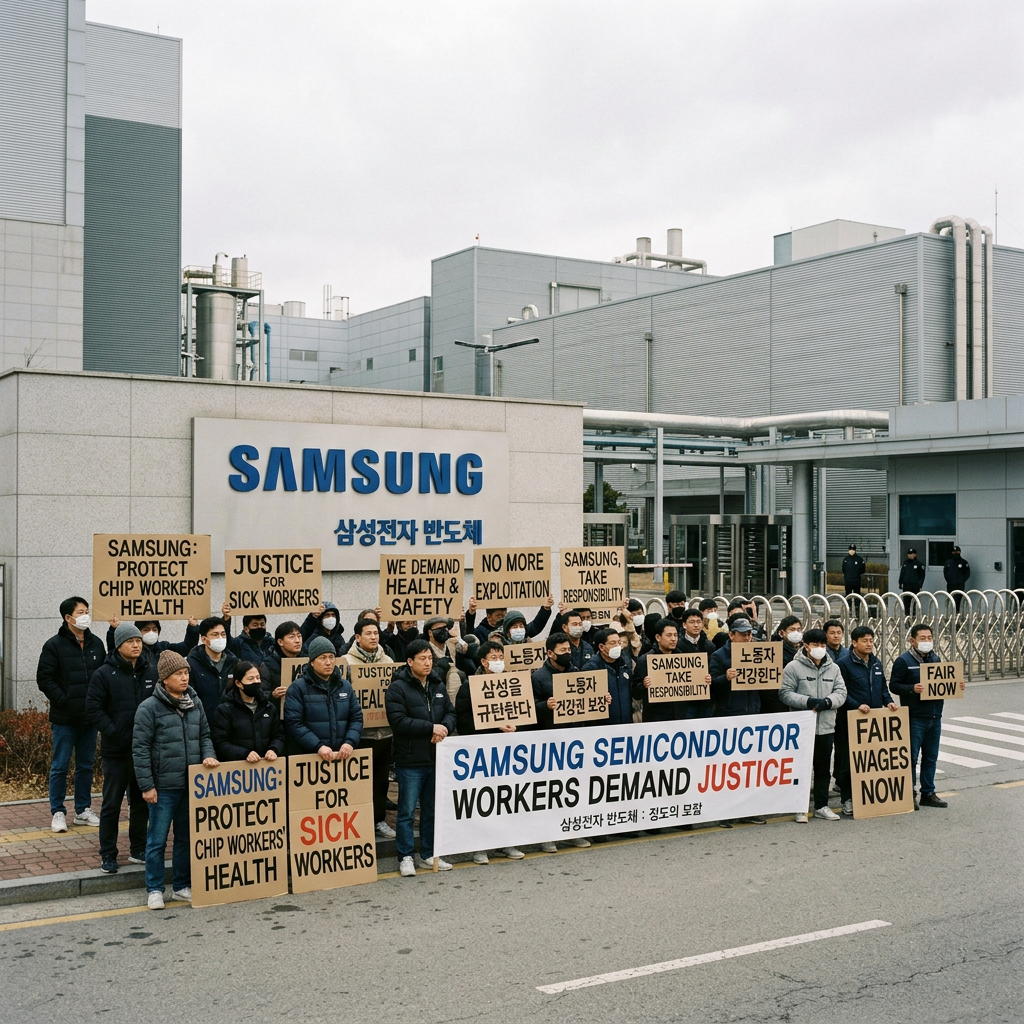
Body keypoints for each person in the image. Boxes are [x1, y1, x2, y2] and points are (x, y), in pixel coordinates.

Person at [133, 650, 218, 910]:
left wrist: (208, 756)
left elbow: (204, 735)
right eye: (178, 674)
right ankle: (155, 889)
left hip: (191, 783)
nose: (184, 678)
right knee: (157, 840)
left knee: (185, 838)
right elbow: (140, 749)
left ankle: (181, 886)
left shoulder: (195, 702)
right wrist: (147, 786)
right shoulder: (149, 708)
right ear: (164, 678)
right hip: (163, 786)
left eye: (186, 673)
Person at [85, 622, 158, 872]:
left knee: (141, 802)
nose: (136, 644)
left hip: (144, 751)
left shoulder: (151, 671)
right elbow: (93, 708)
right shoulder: (104, 673)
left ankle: (138, 849)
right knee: (111, 804)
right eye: (130, 641)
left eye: (138, 640)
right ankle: (108, 853)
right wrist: (115, 731)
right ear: (119, 645)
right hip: (117, 751)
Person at [386, 639, 457, 875]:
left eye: (430, 658)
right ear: (410, 662)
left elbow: (450, 712)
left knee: (431, 809)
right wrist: (431, 728)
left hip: (436, 757)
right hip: (410, 760)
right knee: (406, 812)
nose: (428, 663)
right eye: (422, 659)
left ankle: (428, 853)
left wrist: (443, 727)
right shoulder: (398, 688)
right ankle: (405, 856)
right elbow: (398, 721)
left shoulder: (436, 683)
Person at [36, 596, 106, 833]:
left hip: (90, 718)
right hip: (65, 718)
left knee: (85, 765)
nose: (85, 615)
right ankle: (57, 811)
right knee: (60, 766)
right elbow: (44, 678)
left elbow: (103, 676)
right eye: (80, 612)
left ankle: (83, 809)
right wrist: (64, 700)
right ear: (68, 617)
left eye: (87, 610)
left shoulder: (96, 643)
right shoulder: (54, 645)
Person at [456, 642, 526, 864]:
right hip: (482, 752)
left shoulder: (513, 683)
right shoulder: (469, 686)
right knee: (482, 800)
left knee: (506, 798)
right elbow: (464, 721)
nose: (498, 661)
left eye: (500, 656)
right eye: (493, 657)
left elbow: (524, 712)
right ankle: (479, 846)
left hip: (507, 751)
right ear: (483, 662)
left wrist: (517, 726)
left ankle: (507, 842)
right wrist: (493, 725)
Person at [528, 633, 592, 853]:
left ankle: (572, 831)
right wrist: (545, 705)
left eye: (569, 650)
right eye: (563, 651)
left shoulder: (576, 673)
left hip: (574, 740)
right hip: (550, 741)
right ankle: (547, 835)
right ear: (549, 653)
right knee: (551, 791)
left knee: (573, 789)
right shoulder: (538, 677)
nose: (568, 653)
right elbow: (529, 710)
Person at [889, 624, 962, 809]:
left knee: (931, 757)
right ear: (912, 640)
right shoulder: (903, 661)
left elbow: (941, 684)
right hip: (915, 717)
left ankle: (928, 792)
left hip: (935, 716)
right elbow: (894, 685)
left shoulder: (935, 659)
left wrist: (955, 685)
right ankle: (909, 793)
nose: (927, 641)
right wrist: (912, 689)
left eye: (929, 637)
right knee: (911, 758)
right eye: (923, 638)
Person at [779, 628, 847, 822]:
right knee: (801, 769)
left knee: (823, 768)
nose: (820, 648)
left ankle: (821, 805)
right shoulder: (793, 667)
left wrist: (828, 702)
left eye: (823, 645)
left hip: (825, 726)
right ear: (806, 646)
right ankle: (800, 808)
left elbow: (841, 692)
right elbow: (785, 693)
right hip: (802, 727)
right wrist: (808, 701)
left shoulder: (833, 668)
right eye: (816, 645)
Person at [835, 625, 898, 816]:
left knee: (871, 761)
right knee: (849, 762)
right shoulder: (843, 664)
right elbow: (841, 692)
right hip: (851, 720)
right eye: (864, 640)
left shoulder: (876, 663)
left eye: (871, 640)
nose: (869, 644)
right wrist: (856, 706)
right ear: (854, 643)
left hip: (874, 722)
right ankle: (847, 799)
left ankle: (868, 798)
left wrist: (889, 703)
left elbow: (882, 689)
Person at [708, 617, 764, 825]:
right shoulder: (719, 656)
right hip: (729, 716)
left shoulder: (758, 651)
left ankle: (748, 810)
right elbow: (711, 685)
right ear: (731, 635)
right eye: (743, 634)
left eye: (749, 633)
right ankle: (725, 812)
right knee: (728, 768)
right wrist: (726, 678)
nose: (747, 637)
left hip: (752, 714)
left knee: (750, 767)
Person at [344, 618, 396, 840]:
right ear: (357, 637)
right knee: (357, 782)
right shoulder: (346, 663)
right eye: (369, 633)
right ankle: (357, 821)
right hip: (359, 734)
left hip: (384, 733)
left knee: (381, 781)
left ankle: (379, 820)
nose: (374, 637)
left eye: (376, 633)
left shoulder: (388, 661)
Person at [283, 636, 363, 758]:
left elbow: (356, 717)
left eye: (331, 657)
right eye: (323, 658)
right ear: (312, 662)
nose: (328, 662)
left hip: (341, 756)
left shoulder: (345, 686)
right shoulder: (298, 688)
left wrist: (350, 742)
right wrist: (318, 746)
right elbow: (294, 723)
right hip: (309, 757)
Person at [632, 617, 713, 721]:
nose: (673, 639)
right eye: (669, 635)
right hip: (656, 718)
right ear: (658, 637)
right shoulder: (646, 660)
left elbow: (692, 688)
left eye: (675, 635)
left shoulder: (684, 659)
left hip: (681, 717)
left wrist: (703, 680)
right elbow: (635, 694)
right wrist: (643, 685)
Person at [210, 660, 285, 763]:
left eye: (258, 678)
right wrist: (244, 753)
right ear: (238, 683)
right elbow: (220, 742)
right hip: (238, 769)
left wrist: (274, 749)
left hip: (267, 767)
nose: (256, 682)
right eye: (250, 679)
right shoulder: (225, 710)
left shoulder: (268, 707)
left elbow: (279, 735)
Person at [187, 616, 237, 718]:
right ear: (204, 639)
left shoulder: (234, 663)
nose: (220, 638)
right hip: (204, 722)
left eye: (223, 634)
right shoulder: (192, 665)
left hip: (230, 723)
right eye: (215, 634)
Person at [584, 628, 632, 726]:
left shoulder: (624, 664)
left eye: (619, 642)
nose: (617, 646)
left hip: (626, 723)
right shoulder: (592, 667)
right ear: (602, 647)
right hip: (603, 726)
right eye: (613, 643)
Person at [105, 617, 200, 659]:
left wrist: (193, 628)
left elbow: (187, 648)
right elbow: (114, 650)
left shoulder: (164, 648)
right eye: (146, 629)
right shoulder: (132, 650)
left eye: (154, 629)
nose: (151, 632)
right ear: (138, 632)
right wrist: (113, 629)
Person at [259, 620, 306, 699]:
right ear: (280, 642)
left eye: (299, 636)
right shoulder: (268, 665)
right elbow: (260, 693)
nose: (297, 641)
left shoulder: (307, 661)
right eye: (292, 637)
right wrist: (272, 695)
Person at [898, 548, 927, 615]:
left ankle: (913, 616)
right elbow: (902, 573)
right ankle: (906, 616)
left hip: (915, 586)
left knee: (914, 602)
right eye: (909, 554)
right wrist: (900, 582)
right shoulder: (905, 563)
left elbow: (922, 576)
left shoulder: (919, 564)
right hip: (906, 585)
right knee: (906, 601)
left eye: (911, 554)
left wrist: (920, 585)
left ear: (914, 554)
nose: (910, 555)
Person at [943, 546, 971, 611]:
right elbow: (945, 572)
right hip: (950, 584)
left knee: (958, 600)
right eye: (954, 552)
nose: (955, 553)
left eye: (957, 551)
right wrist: (949, 581)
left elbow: (967, 573)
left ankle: (957, 614)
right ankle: (950, 615)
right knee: (951, 599)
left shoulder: (963, 562)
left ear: (960, 552)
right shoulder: (948, 562)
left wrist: (961, 581)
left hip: (959, 585)